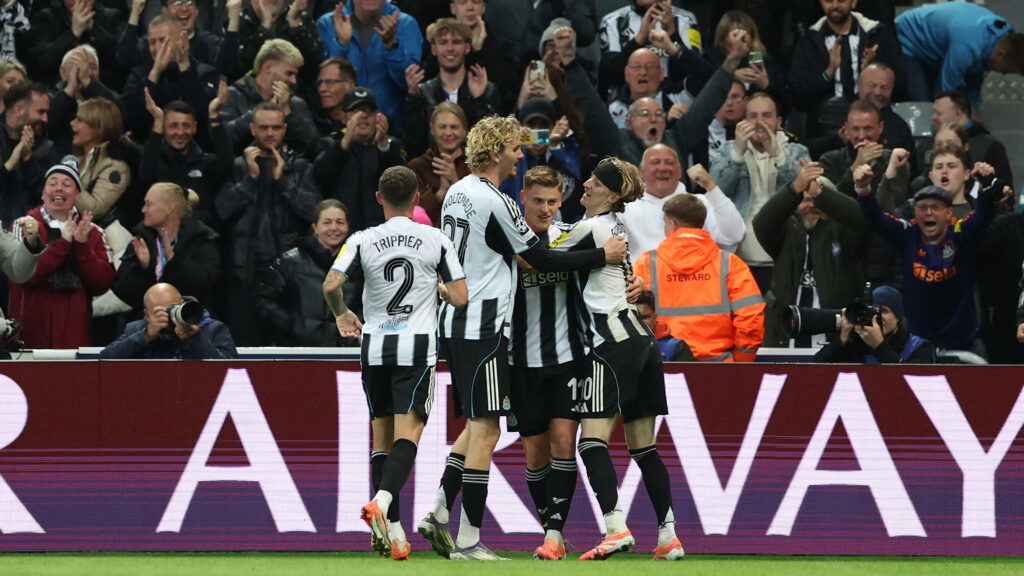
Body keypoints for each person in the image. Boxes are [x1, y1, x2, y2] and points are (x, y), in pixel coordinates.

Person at [417, 115, 626, 561]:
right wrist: (601, 255)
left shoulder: (457, 191)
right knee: (486, 430)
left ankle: (439, 509)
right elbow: (537, 258)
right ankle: (468, 540)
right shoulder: (498, 201)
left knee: (477, 426)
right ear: (496, 151)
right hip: (487, 326)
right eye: (515, 147)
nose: (519, 155)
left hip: (455, 321)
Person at [324, 166, 467, 561]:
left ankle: (397, 533)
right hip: (415, 348)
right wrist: (439, 289)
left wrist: (341, 313)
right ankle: (382, 501)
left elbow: (331, 284)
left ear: (379, 198)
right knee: (409, 434)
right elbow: (461, 297)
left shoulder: (362, 238)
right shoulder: (436, 239)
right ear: (417, 197)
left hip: (374, 347)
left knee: (381, 439)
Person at [557, 157, 682, 561]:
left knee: (591, 441)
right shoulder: (615, 228)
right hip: (643, 342)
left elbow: (539, 257)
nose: (586, 183)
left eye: (596, 182)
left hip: (612, 344)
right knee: (644, 448)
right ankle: (668, 537)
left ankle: (615, 528)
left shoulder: (589, 228)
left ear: (612, 195)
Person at [506, 166, 589, 560]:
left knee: (563, 443)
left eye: (552, 201)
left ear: (561, 201)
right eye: (538, 201)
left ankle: (554, 536)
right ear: (523, 198)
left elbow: (608, 272)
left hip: (567, 359)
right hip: (520, 363)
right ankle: (551, 531)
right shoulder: (507, 240)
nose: (545, 209)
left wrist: (635, 279)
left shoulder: (573, 236)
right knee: (535, 456)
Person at [855, 164, 998, 358]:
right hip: (916, 344)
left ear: (949, 213)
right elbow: (877, 219)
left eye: (935, 207)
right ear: (915, 212)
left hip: (964, 344)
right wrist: (863, 190)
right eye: (922, 207)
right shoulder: (907, 233)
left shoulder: (960, 234)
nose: (928, 213)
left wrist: (985, 187)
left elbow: (983, 216)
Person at [216, 101, 321, 345]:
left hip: (289, 277)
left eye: (276, 127)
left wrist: (282, 181)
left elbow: (313, 213)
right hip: (243, 273)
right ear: (252, 129)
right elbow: (222, 211)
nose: (270, 133)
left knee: (287, 350)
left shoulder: (300, 167)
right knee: (244, 347)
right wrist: (250, 179)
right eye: (264, 128)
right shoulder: (239, 167)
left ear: (285, 129)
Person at [635, 193, 765, 362]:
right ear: (701, 223)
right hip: (719, 364)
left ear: (671, 224)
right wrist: (741, 362)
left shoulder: (646, 263)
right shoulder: (730, 263)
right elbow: (751, 317)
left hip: (665, 362)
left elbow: (630, 317)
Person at [752, 161, 867, 348]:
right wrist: (794, 189)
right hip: (784, 334)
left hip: (835, 335)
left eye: (816, 199)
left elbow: (860, 218)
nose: (811, 205)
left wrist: (820, 193)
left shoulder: (845, 231)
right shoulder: (787, 231)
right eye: (805, 199)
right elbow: (761, 223)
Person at [8, 158, 115, 348]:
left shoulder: (94, 232)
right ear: (43, 193)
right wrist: (64, 243)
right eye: (52, 183)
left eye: (67, 185)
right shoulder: (23, 225)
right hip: (29, 338)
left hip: (75, 338)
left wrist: (81, 247)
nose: (59, 188)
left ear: (77, 195)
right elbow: (24, 276)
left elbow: (102, 284)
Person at [712, 91, 810, 289]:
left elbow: (805, 192)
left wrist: (778, 156)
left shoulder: (797, 152)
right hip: (738, 259)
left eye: (766, 115)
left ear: (778, 121)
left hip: (784, 258)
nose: (759, 122)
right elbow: (715, 191)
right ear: (744, 121)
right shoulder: (727, 150)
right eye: (753, 116)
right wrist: (738, 154)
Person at [787, 0, 903, 139]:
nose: (835, 5)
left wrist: (870, 73)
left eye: (841, 0)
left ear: (853, 2)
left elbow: (901, 86)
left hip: (873, 115)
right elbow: (798, 96)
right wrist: (828, 73)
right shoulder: (808, 41)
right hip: (825, 122)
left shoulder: (878, 35)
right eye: (829, 1)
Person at [257, 199, 360, 346]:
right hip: (298, 350)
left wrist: (357, 328)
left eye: (340, 222)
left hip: (347, 348)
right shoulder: (289, 262)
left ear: (348, 227)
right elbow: (264, 302)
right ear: (315, 227)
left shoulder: (361, 264)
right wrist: (293, 326)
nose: (334, 228)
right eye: (327, 222)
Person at [111, 182, 221, 316]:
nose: (143, 210)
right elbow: (121, 289)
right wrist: (143, 268)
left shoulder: (201, 239)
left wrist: (175, 262)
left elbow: (203, 285)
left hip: (190, 319)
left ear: (169, 208)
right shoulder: (141, 239)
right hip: (148, 321)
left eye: (149, 204)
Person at [316, 0, 423, 132]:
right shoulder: (328, 23)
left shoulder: (406, 24)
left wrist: (392, 47)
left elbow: (407, 83)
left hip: (392, 126)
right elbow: (325, 82)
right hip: (341, 125)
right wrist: (341, 44)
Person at [138, 83, 234, 229]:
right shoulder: (155, 162)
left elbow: (227, 164)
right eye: (173, 126)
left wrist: (214, 115)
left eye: (186, 126)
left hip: (200, 236)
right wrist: (157, 122)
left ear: (195, 127)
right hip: (161, 236)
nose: (180, 132)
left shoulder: (205, 163)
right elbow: (146, 175)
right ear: (164, 127)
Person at [625, 145, 745, 261]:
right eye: (655, 162)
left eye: (669, 163)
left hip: (695, 273)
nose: (662, 168)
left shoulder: (700, 204)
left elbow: (734, 235)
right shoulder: (625, 208)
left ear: (679, 171)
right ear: (641, 171)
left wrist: (711, 187)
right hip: (642, 274)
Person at [402, 18, 499, 158]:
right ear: (433, 49)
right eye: (443, 42)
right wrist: (412, 99)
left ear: (467, 47)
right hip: (433, 167)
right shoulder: (422, 92)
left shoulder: (487, 89)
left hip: (473, 168)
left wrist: (479, 101)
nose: (450, 48)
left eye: (456, 42)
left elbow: (492, 144)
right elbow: (413, 144)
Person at [896, 2, 1023, 108]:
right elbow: (945, 91)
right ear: (1000, 55)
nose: (1002, 74)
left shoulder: (1002, 38)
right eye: (1004, 69)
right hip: (908, 39)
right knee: (924, 105)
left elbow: (974, 83)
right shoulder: (967, 45)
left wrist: (974, 114)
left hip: (936, 47)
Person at [313, 87, 405, 233]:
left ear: (377, 116)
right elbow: (321, 178)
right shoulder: (329, 144)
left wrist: (383, 145)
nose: (363, 116)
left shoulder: (390, 146)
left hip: (382, 233)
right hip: (341, 233)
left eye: (369, 111)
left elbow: (401, 186)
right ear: (344, 117)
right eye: (356, 111)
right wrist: (345, 142)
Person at [120, 16, 221, 141]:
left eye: (163, 40)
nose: (157, 48)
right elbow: (132, 117)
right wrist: (154, 74)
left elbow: (202, 113)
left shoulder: (205, 73)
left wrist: (185, 66)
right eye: (152, 42)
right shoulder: (139, 74)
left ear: (181, 40)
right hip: (150, 146)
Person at [220, 38, 321, 158]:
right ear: (268, 68)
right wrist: (261, 113)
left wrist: (287, 113)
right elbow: (223, 139)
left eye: (295, 75)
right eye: (289, 73)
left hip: (289, 168)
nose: (294, 80)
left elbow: (314, 146)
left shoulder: (296, 103)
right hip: (242, 166)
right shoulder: (233, 95)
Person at [498, 97, 584, 222]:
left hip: (564, 230)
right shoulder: (511, 157)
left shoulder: (568, 150)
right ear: (520, 127)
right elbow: (500, 188)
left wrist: (555, 145)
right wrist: (516, 145)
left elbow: (574, 183)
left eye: (544, 126)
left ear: (553, 127)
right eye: (531, 126)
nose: (537, 131)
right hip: (520, 228)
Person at [100, 282, 238, 359]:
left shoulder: (212, 328)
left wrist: (194, 339)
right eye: (161, 311)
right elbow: (105, 360)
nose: (170, 316)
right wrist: (146, 336)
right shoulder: (136, 329)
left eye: (173, 308)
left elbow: (229, 370)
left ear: (183, 304)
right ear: (147, 315)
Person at [814, 285, 935, 363]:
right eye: (873, 311)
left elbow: (913, 384)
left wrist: (879, 346)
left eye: (883, 311)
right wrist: (841, 341)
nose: (877, 317)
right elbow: (813, 371)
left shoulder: (919, 347)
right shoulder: (854, 346)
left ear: (898, 318)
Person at [70, 98, 139, 229]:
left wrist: (69, 181)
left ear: (99, 128)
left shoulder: (116, 166)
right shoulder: (76, 158)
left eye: (80, 120)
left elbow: (95, 210)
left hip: (98, 236)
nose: (72, 123)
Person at [930, 90, 1013, 191]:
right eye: (938, 145)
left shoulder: (990, 146)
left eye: (939, 113)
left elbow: (1006, 192)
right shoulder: (926, 144)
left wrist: (986, 184)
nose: (933, 117)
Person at [1, 82, 57, 226]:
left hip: (33, 229)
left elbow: (49, 195)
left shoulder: (45, 148)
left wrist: (28, 159)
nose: (45, 119)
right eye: (40, 112)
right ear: (19, 109)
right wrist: (9, 164)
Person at [406, 101, 470, 225]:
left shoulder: (477, 164)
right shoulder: (417, 167)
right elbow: (410, 216)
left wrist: (456, 184)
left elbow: (483, 211)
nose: (448, 133)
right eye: (442, 127)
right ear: (432, 128)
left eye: (454, 127)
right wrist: (439, 194)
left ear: (464, 129)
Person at [634, 289, 694, 361]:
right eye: (634, 318)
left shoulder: (676, 348)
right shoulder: (622, 348)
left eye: (645, 317)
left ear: (654, 317)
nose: (640, 323)